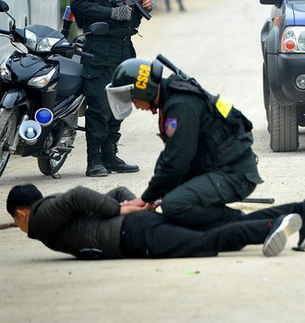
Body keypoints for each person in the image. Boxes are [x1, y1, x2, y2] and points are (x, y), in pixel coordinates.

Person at [105, 57, 263, 228]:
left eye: (134, 100)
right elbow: (171, 157)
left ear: (145, 92)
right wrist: (157, 194)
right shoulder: (171, 96)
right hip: (220, 167)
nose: (136, 106)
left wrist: (146, 198)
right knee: (168, 189)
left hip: (235, 175)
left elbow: (177, 162)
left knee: (174, 205)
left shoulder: (180, 106)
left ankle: (240, 223)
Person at [5, 184, 305, 259]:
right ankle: (300, 209)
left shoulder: (41, 219)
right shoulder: (51, 212)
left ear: (21, 213)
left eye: (17, 221)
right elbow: (117, 192)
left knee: (205, 242)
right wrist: (137, 203)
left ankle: (270, 228)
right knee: (214, 230)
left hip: (132, 235)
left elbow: (78, 195)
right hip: (136, 226)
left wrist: (120, 211)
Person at [70, 0, 151, 178]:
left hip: (124, 46)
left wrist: (143, 6)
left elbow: (132, 15)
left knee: (121, 101)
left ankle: (110, 155)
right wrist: (111, 12)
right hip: (100, 46)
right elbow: (78, 5)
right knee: (100, 103)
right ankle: (94, 159)